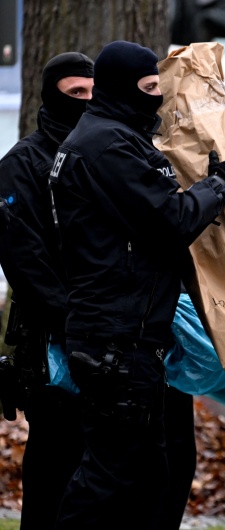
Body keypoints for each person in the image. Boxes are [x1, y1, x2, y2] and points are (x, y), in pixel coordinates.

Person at [49, 40, 225, 530]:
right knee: (111, 475)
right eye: (147, 89)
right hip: (116, 339)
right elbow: (169, 220)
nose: (156, 99)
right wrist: (220, 184)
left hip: (130, 336)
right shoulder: (105, 145)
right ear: (122, 88)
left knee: (148, 474)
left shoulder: (113, 137)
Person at [0, 52, 94, 530]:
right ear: (52, 94)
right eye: (75, 92)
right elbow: (23, 258)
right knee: (52, 467)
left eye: (92, 92)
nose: (86, 101)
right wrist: (72, 319)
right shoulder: (23, 162)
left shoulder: (101, 155)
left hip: (98, 336)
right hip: (50, 341)